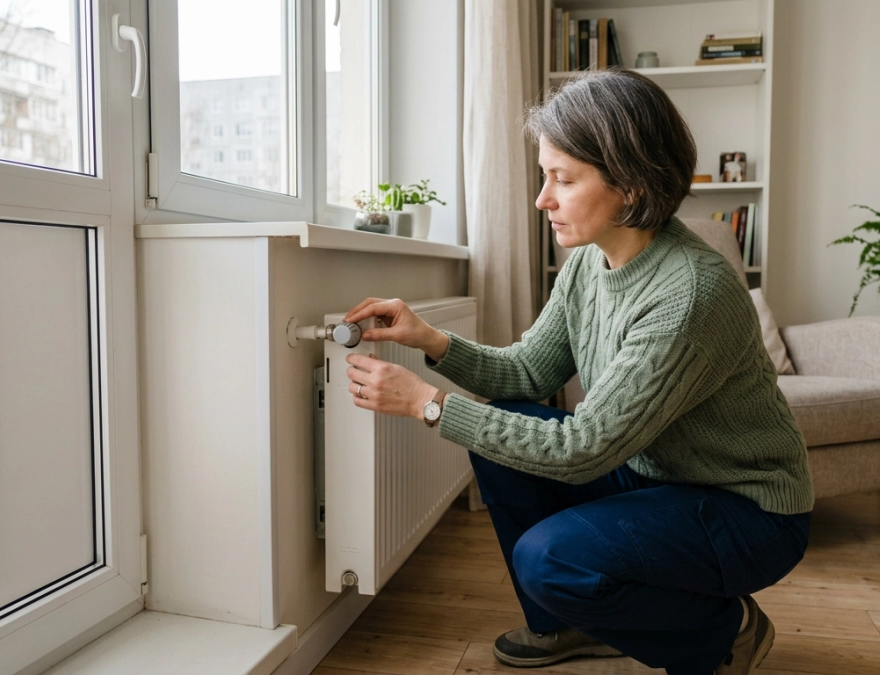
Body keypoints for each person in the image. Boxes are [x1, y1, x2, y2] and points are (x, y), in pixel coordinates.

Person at [340, 69, 812, 675]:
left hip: (747, 509)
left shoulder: (690, 294)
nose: (543, 199)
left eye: (563, 179)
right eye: (546, 176)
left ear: (631, 185)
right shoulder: (588, 264)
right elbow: (527, 372)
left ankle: (726, 632)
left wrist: (428, 404)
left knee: (550, 560)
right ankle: (567, 626)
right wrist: (429, 338)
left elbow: (583, 449)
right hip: (657, 475)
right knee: (503, 428)